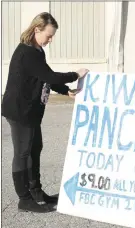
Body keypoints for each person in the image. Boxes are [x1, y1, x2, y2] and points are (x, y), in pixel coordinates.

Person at [1, 12, 89, 213]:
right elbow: (49, 75)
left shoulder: (37, 50)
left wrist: (64, 90)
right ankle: (25, 199)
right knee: (23, 153)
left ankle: (37, 193)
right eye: (49, 35)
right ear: (36, 29)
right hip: (19, 110)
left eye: (52, 36)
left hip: (31, 110)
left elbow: (43, 77)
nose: (51, 39)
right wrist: (75, 75)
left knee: (35, 148)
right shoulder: (27, 52)